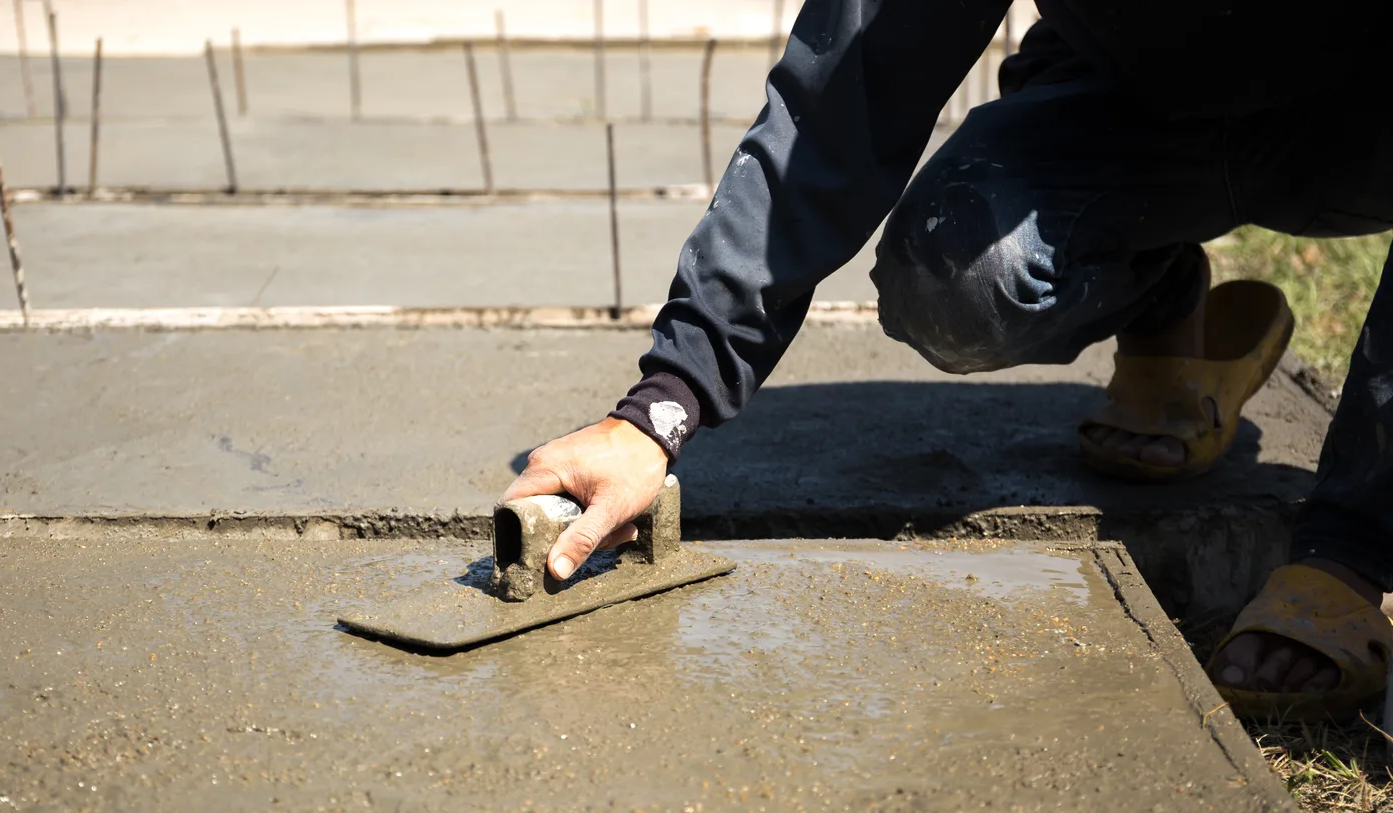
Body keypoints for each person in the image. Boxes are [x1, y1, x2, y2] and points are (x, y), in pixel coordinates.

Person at [501, 0, 1393, 722]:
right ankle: (1167, 309)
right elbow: (836, 105)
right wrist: (663, 402)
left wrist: (1362, 529)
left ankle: (1351, 550)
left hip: (1358, 119)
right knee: (955, 275)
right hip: (1134, 109)